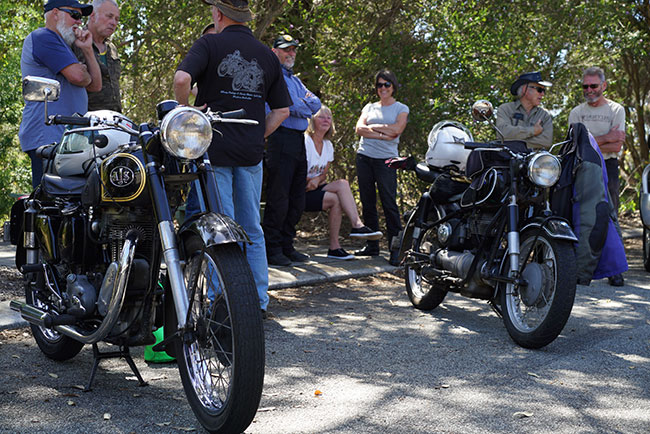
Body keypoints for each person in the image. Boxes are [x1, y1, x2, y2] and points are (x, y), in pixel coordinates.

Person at [173, 0, 291, 316]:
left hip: (215, 152)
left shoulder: (210, 43)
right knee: (252, 227)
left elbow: (182, 79)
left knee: (218, 227)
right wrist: (257, 135)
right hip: (251, 155)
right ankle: (259, 302)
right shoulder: (267, 54)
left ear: (219, 14)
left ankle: (221, 303)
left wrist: (186, 114)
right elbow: (282, 111)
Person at [19, 0, 101, 189]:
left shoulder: (66, 46)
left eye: (81, 17)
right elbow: (77, 76)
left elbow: (96, 85)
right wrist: (81, 72)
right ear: (55, 13)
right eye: (75, 15)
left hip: (66, 139)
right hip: (48, 136)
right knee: (51, 204)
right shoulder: (43, 37)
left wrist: (87, 49)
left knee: (73, 205)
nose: (79, 22)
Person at [262, 34, 321, 266]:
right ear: (275, 51)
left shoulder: (295, 80)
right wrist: (299, 104)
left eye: (294, 50)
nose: (291, 54)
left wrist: (299, 103)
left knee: (297, 196)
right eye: (286, 50)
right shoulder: (272, 76)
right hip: (280, 137)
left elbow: (314, 104)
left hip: (298, 139)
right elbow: (287, 106)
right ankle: (272, 248)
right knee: (279, 195)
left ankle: (288, 244)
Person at [568, 66, 626, 287]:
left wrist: (589, 139)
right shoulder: (577, 112)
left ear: (604, 85)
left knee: (609, 214)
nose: (589, 90)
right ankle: (578, 265)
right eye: (585, 86)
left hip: (608, 165)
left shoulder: (616, 109)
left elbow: (618, 143)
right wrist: (605, 137)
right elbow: (575, 144)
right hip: (582, 167)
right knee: (581, 216)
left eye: (593, 86)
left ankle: (616, 270)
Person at [304, 106, 382, 260]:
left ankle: (347, 235)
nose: (326, 120)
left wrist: (316, 180)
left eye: (329, 117)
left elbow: (324, 175)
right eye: (321, 117)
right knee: (335, 198)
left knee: (342, 185)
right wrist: (309, 180)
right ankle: (351, 231)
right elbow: (295, 171)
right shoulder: (305, 141)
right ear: (312, 120)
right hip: (299, 191)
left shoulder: (328, 145)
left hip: (315, 187)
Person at [354, 69, 408, 266]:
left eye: (386, 84)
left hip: (386, 160)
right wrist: (383, 133)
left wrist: (373, 129)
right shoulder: (369, 107)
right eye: (379, 85)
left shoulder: (401, 108)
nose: (383, 88)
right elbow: (359, 129)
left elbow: (397, 130)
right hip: (364, 157)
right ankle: (372, 245)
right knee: (368, 202)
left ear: (393, 86)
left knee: (388, 203)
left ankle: (396, 248)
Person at [72, 0, 121, 112]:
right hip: (85, 121)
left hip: (114, 121)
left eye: (116, 19)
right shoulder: (75, 41)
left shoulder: (111, 48)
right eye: (109, 16)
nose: (113, 22)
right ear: (92, 16)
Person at [496, 71, 553, 149]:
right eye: (539, 90)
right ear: (524, 89)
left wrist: (515, 142)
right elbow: (502, 134)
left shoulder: (544, 115)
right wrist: (533, 131)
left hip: (534, 160)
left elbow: (546, 141)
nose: (542, 94)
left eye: (544, 91)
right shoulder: (505, 109)